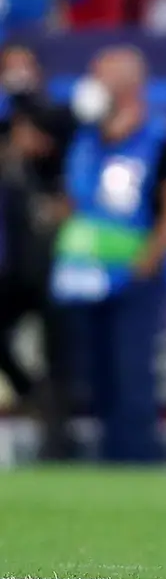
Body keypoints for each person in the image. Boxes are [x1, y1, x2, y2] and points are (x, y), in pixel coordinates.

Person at [49, 46, 166, 462]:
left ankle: (137, 460)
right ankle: (106, 460)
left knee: (131, 373)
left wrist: (149, 257)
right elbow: (75, 200)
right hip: (81, 280)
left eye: (101, 75)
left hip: (132, 277)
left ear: (129, 85)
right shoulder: (82, 139)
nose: (91, 84)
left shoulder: (163, 142)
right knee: (96, 378)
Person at [0, 41, 74, 450]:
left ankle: (57, 435)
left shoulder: (58, 118)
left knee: (58, 351)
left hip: (54, 261)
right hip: (14, 261)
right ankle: (28, 393)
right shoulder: (7, 124)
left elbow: (75, 169)